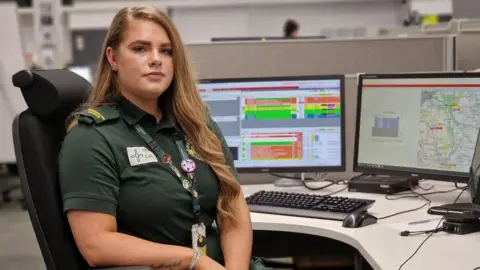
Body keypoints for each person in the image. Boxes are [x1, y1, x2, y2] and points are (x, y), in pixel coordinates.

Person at [59, 5, 268, 270]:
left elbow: (232, 205)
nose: (156, 59)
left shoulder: (197, 123)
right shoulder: (91, 136)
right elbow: (96, 245)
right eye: (140, 49)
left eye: (166, 51)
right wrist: (193, 260)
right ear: (112, 58)